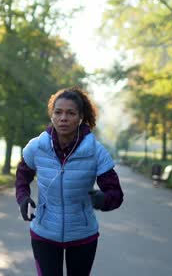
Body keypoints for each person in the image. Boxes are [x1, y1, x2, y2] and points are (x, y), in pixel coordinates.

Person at [15, 87, 124, 276]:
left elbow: (116, 194)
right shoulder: (37, 147)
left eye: (70, 113)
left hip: (82, 235)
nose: (63, 118)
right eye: (58, 112)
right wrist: (23, 198)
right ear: (52, 116)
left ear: (80, 117)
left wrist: (103, 199)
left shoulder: (95, 152)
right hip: (44, 232)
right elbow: (22, 177)